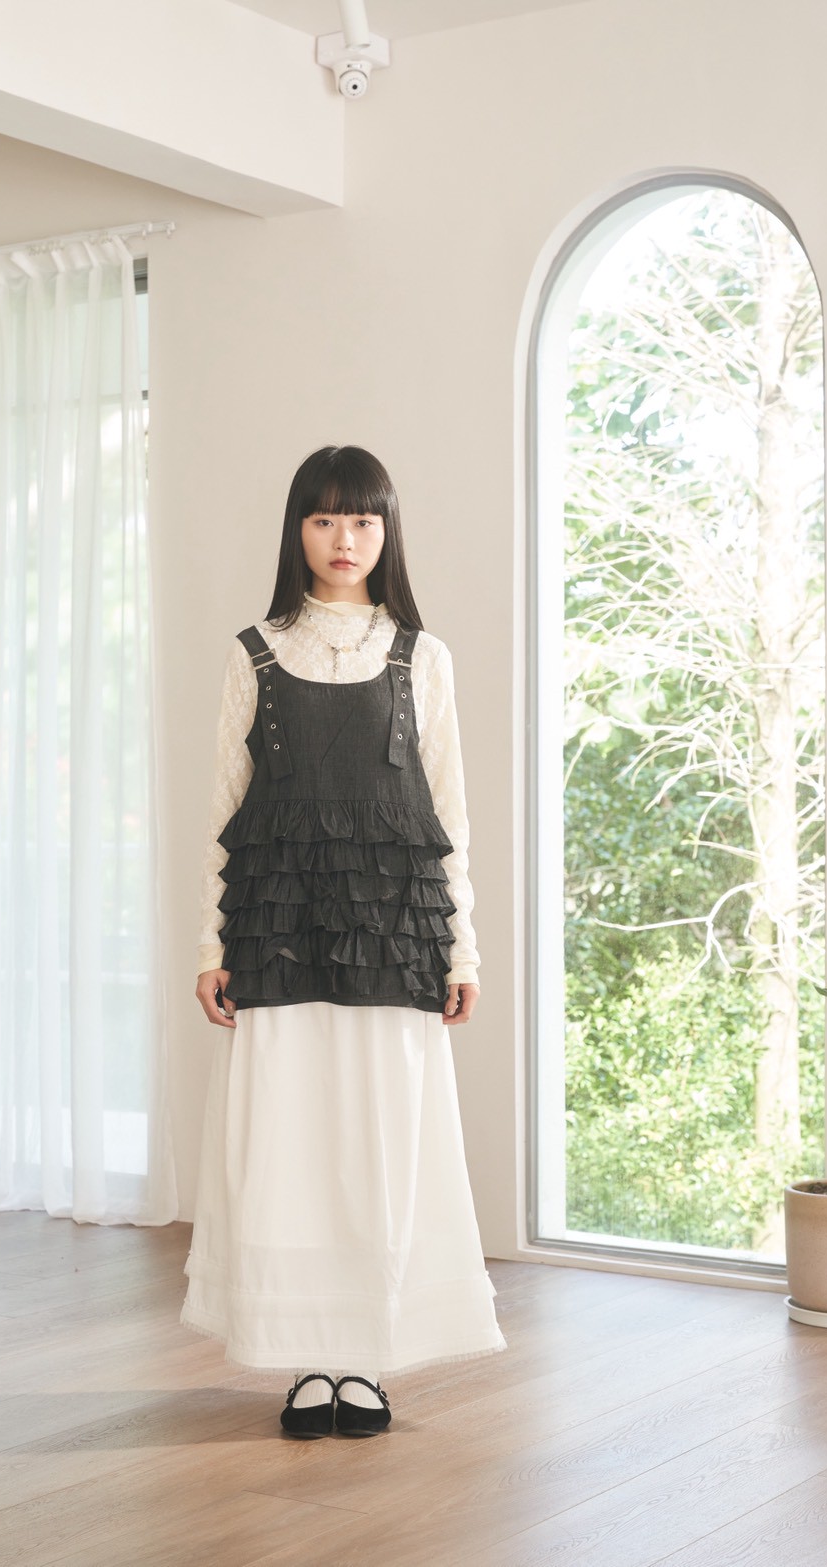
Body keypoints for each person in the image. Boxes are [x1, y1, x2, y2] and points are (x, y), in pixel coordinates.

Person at [181, 445, 506, 1438]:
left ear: (385, 531)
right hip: (276, 925)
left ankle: (363, 1359)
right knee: (288, 1142)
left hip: (393, 928)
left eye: (362, 519)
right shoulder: (252, 652)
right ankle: (305, 1362)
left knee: (379, 1141)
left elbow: (448, 814)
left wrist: (461, 950)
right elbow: (221, 812)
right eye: (323, 519)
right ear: (297, 531)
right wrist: (209, 945)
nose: (343, 538)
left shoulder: (422, 657)